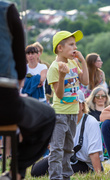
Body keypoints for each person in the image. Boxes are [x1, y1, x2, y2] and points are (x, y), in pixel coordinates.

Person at [0, 1, 55, 179]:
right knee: (47, 116)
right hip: (4, 102)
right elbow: (20, 68)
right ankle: (17, 171)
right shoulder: (6, 9)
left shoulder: (43, 68)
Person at [47, 30, 89, 180]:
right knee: (57, 149)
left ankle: (66, 176)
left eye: (75, 44)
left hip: (73, 112)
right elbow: (58, 94)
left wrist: (83, 61)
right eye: (71, 45)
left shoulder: (72, 62)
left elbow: (85, 81)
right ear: (60, 48)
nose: (75, 48)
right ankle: (55, 177)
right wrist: (62, 76)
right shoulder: (53, 68)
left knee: (68, 148)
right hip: (59, 113)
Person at [30, 90, 103, 177]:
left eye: (75, 103)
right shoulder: (62, 120)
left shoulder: (91, 122)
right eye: (68, 103)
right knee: (36, 171)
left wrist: (98, 175)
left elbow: (94, 153)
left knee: (62, 173)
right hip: (64, 157)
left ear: (82, 105)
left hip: (84, 163)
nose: (71, 106)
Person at [86, 86, 110, 159]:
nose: (100, 98)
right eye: (97, 96)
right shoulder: (89, 112)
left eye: (103, 96)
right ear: (93, 98)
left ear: (106, 98)